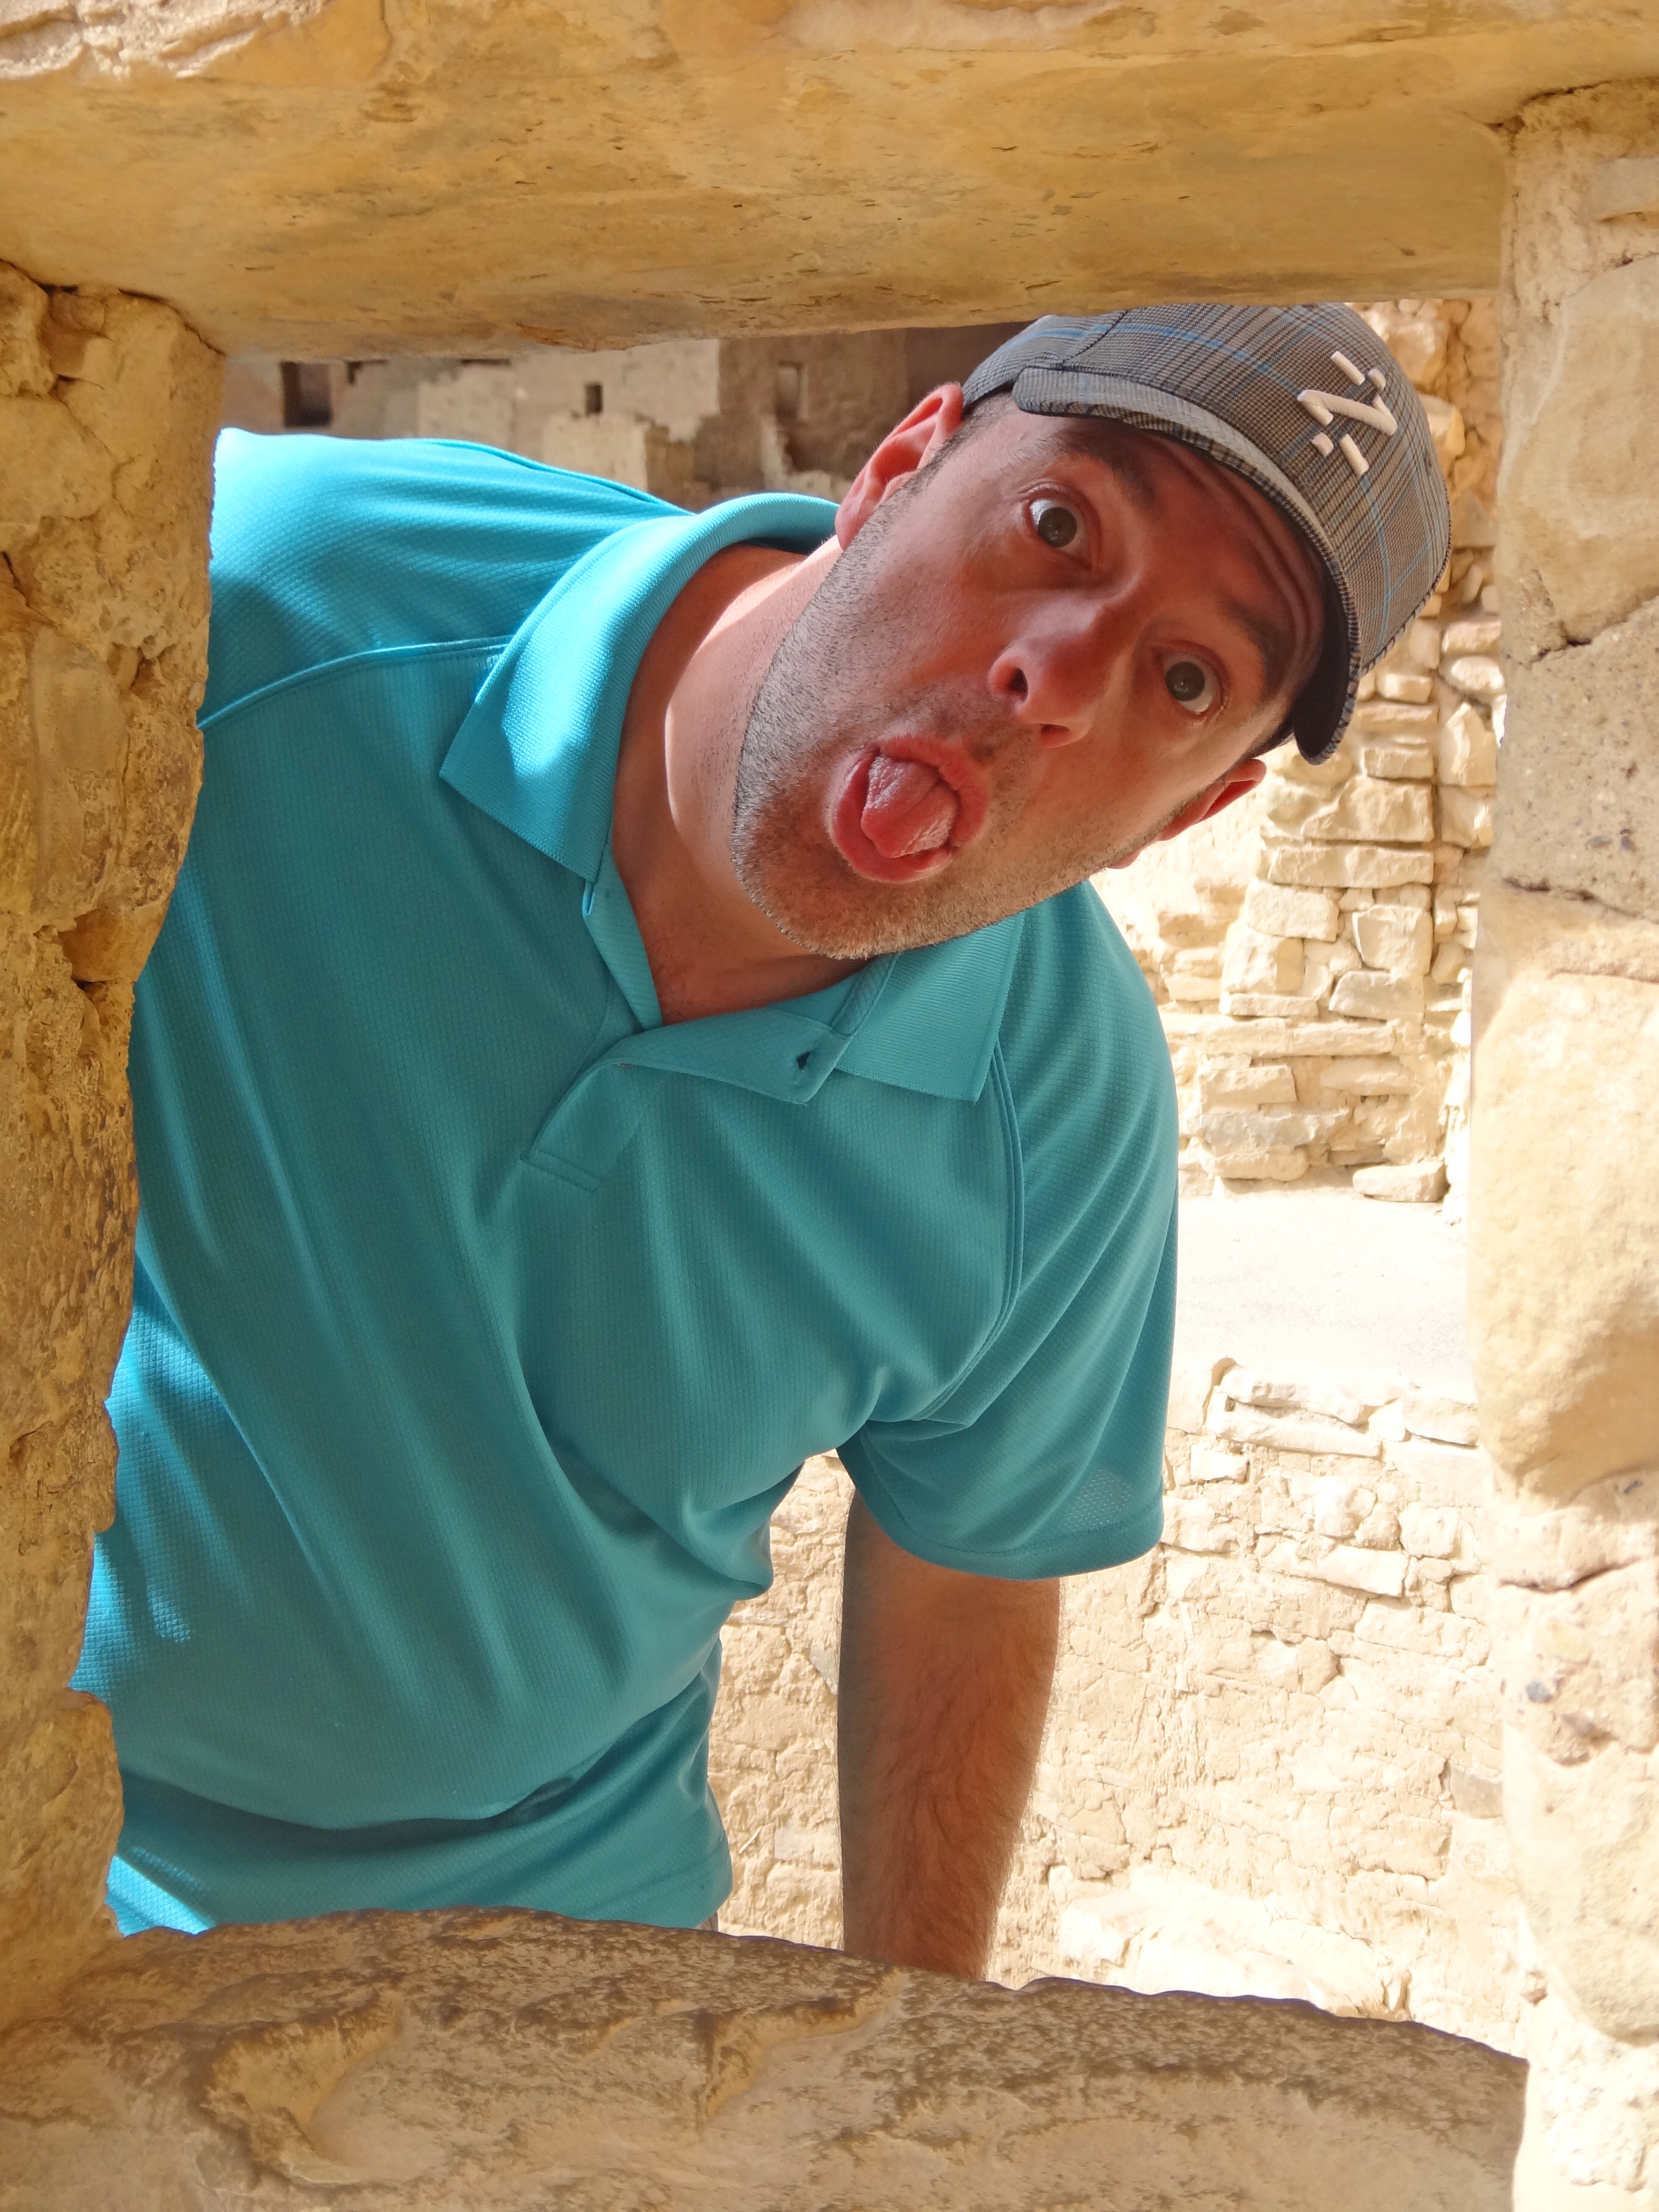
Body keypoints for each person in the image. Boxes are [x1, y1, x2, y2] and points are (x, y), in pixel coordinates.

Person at [76, 305, 1449, 1978]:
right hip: (58, 1862)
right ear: (898, 465)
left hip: (558, 1947)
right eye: (1058, 526)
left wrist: (898, 2050)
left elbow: (964, 1571)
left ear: (1194, 809)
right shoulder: (266, 605)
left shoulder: (1056, 1107)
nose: (1057, 676)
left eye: (1185, 678)